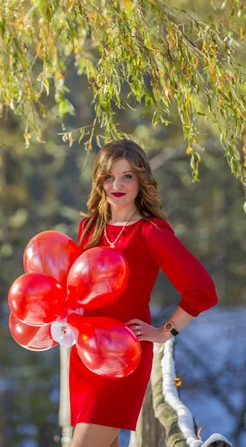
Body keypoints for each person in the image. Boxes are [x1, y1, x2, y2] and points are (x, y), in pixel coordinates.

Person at [69, 138, 218, 447]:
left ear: (141, 181)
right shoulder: (90, 228)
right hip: (84, 357)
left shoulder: (151, 232)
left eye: (127, 176)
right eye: (109, 176)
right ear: (99, 181)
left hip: (123, 357)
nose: (117, 185)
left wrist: (165, 331)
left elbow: (202, 290)